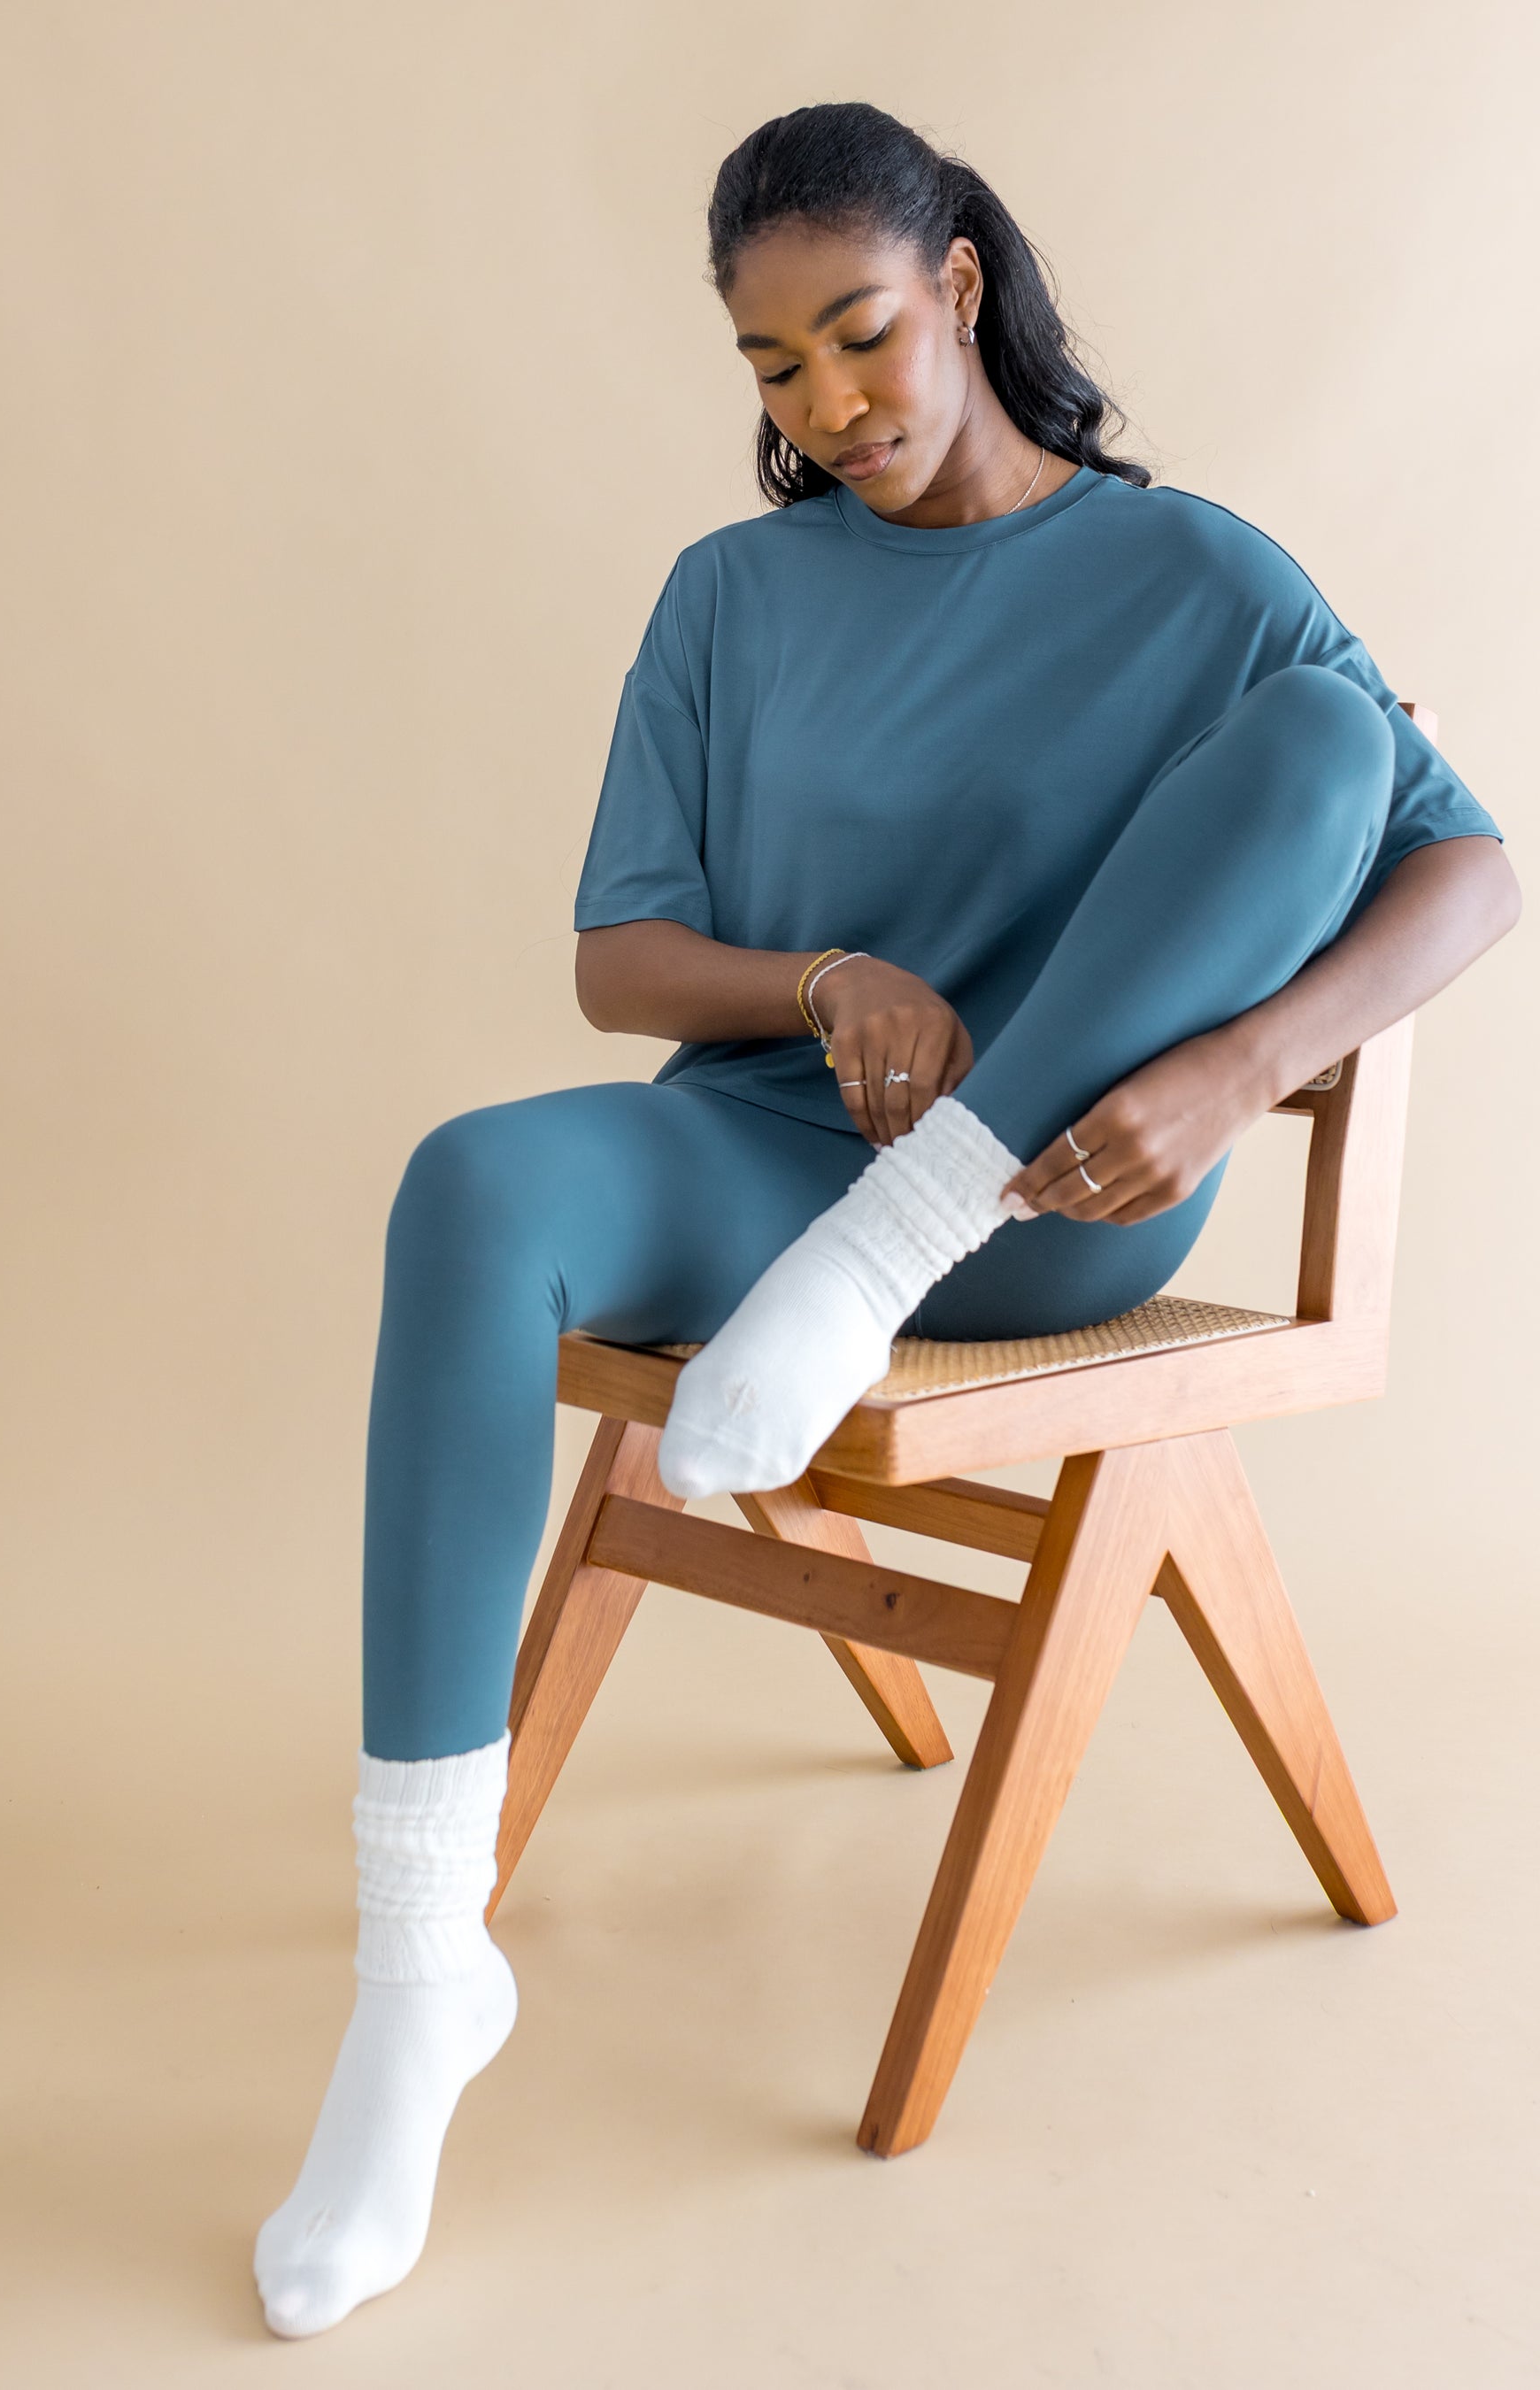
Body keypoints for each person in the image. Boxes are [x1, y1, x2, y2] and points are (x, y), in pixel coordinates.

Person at [253, 101, 1516, 2337]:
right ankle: (412, 1982)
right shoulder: (730, 596)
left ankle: (875, 1258)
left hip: (1041, 1198)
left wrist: (1238, 1066)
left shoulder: (1192, 571)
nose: (825, 408)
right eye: (768, 368)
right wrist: (822, 981)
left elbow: (1464, 865)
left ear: (959, 286)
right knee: (472, 1184)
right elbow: (621, 958)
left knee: (1329, 730)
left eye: (857, 337)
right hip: (763, 1152)